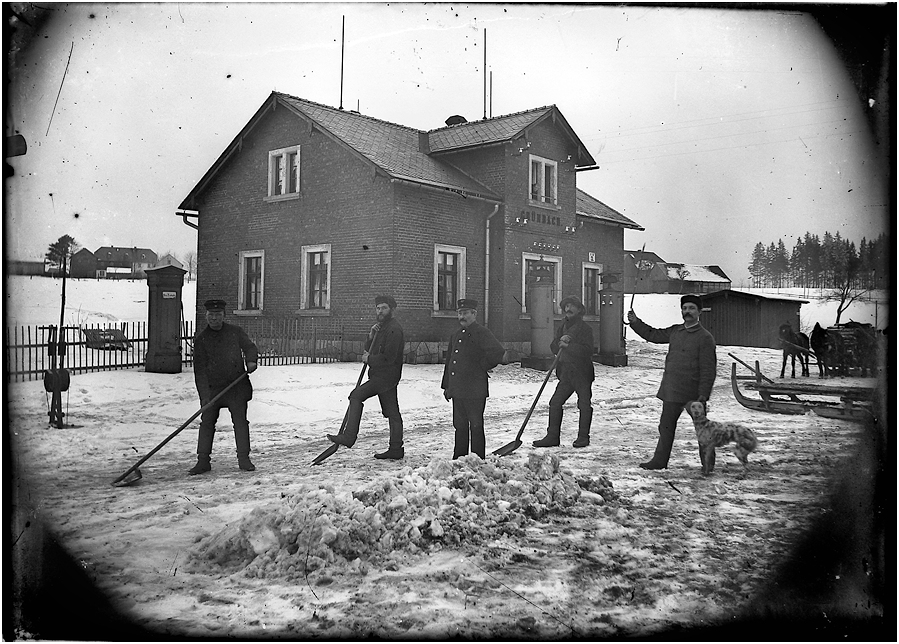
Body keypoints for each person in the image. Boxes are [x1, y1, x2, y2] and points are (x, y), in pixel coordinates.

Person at [627, 294, 717, 470]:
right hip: (672, 391)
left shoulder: (705, 337)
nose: (687, 312)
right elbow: (653, 334)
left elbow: (708, 369)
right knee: (665, 428)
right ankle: (659, 461)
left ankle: (708, 464)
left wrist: (703, 394)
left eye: (691, 308)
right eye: (685, 308)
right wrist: (636, 322)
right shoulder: (675, 331)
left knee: (702, 430)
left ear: (699, 312)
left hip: (694, 394)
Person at [328, 295, 405, 459]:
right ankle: (396, 449)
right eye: (378, 308)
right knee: (392, 412)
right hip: (382, 377)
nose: (380, 311)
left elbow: (388, 357)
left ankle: (349, 436)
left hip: (385, 377)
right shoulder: (382, 328)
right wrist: (370, 336)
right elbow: (372, 349)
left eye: (384, 308)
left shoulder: (394, 329)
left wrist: (369, 359)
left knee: (356, 395)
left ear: (392, 309)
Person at [190, 299, 259, 475]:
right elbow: (200, 372)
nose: (214, 318)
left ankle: (244, 459)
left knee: (240, 423)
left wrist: (251, 361)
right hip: (213, 390)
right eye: (211, 315)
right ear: (206, 316)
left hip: (236, 387)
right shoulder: (201, 340)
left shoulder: (235, 333)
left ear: (223, 316)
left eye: (218, 315)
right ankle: (203, 461)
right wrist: (204, 397)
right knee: (207, 423)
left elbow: (250, 347)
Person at [441, 299, 507, 459]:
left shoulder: (482, 332)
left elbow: (497, 352)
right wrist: (447, 386)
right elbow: (450, 361)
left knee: (476, 426)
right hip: (458, 390)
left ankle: (477, 459)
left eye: (465, 313)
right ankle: (459, 458)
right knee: (460, 426)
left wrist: (481, 367)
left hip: (475, 389)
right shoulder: (456, 335)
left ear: (474, 314)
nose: (461, 316)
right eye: (459, 313)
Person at [532, 295, 595, 449]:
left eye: (572, 306)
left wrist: (569, 345)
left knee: (584, 405)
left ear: (579, 310)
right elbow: (554, 347)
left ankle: (583, 437)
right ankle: (553, 437)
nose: (568, 309)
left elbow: (588, 351)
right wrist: (559, 342)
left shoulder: (585, 329)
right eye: (566, 306)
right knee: (555, 402)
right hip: (566, 372)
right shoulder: (562, 327)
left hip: (582, 373)